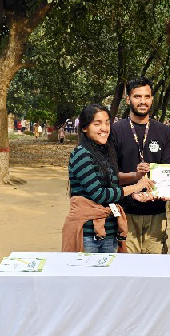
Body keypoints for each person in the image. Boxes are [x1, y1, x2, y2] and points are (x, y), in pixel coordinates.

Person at [63, 103, 153, 253]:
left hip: (109, 230)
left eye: (107, 123)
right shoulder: (81, 154)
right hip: (88, 234)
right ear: (84, 128)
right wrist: (135, 186)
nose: (104, 128)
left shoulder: (105, 152)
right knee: (88, 276)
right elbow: (99, 194)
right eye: (97, 124)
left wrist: (135, 187)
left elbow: (112, 183)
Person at [108, 77, 170, 254]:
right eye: (137, 96)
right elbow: (111, 174)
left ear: (152, 99)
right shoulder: (115, 131)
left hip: (156, 212)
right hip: (125, 212)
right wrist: (134, 190)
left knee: (155, 270)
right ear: (128, 99)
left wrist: (157, 193)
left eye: (147, 96)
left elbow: (168, 170)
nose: (143, 101)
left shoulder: (165, 132)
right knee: (127, 269)